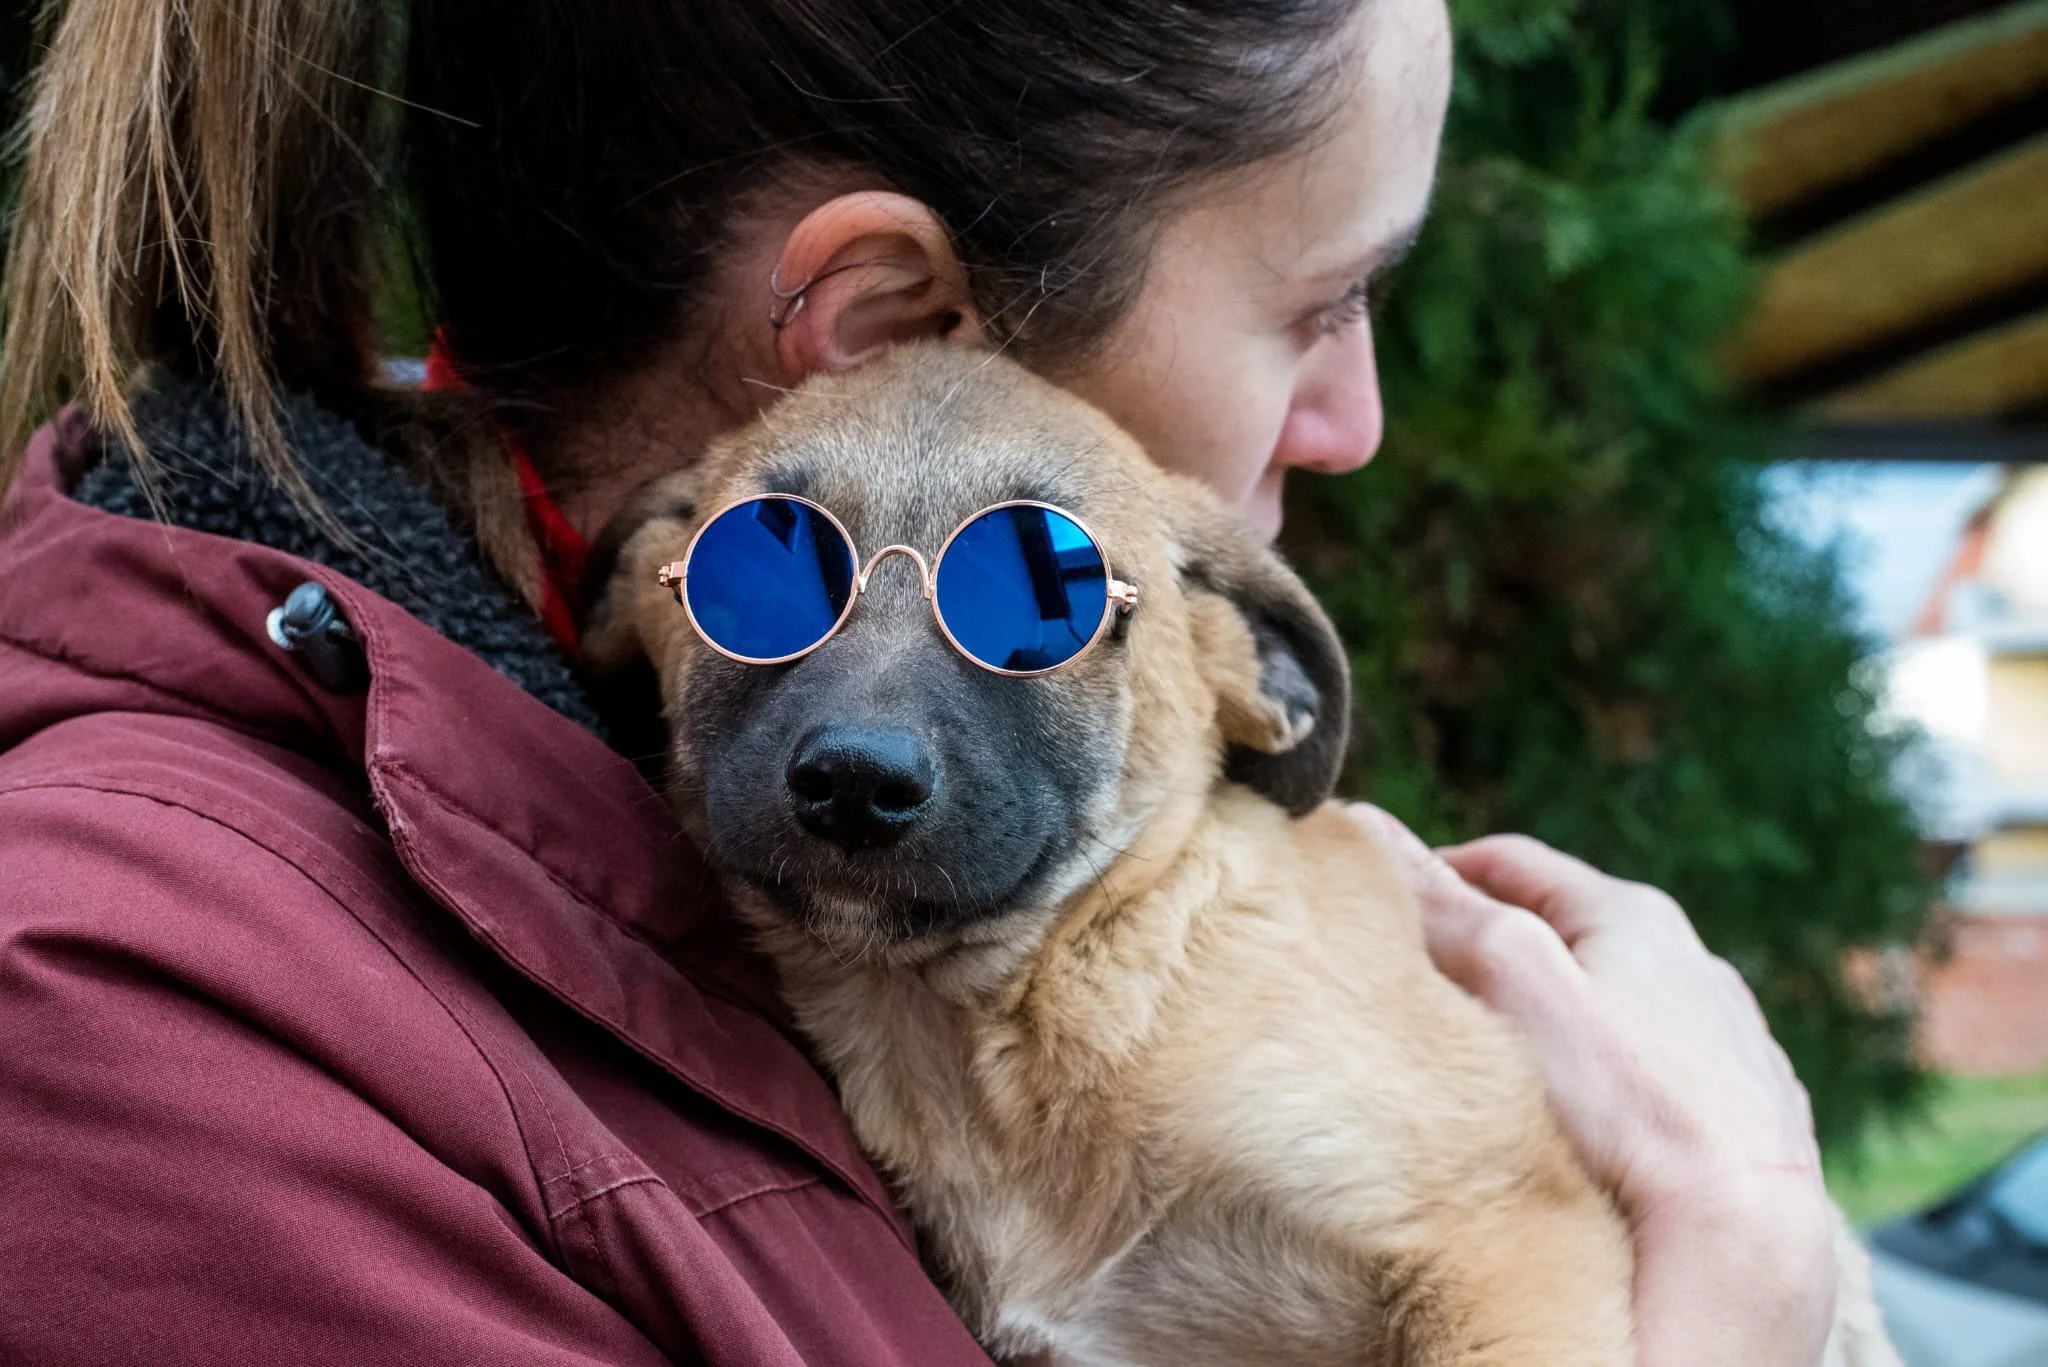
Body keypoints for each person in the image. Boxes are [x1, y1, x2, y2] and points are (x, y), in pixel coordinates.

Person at [0, 1, 1837, 1363]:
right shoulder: (152, 1008)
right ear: (889, 320)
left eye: (1037, 586)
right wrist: (1733, 1291)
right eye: (1317, 302)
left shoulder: (689, 877)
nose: (1357, 422)